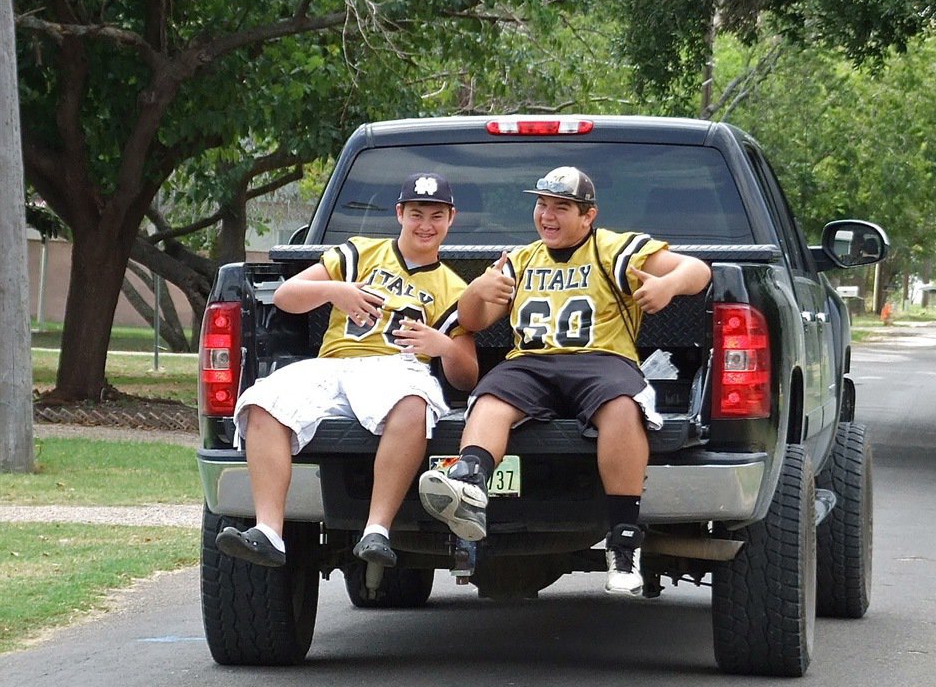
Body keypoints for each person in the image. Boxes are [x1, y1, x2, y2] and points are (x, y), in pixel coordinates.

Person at [417, 166, 711, 596]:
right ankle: (469, 483)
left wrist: (668, 285)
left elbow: (697, 270)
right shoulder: (520, 259)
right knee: (491, 397)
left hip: (601, 361)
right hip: (532, 363)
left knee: (622, 407)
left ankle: (624, 542)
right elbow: (473, 321)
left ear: (588, 216)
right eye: (541, 205)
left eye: (561, 207)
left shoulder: (614, 249)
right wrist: (478, 290)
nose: (547, 216)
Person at [217, 173, 478, 569]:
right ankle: (268, 531)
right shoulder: (358, 252)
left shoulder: (453, 287)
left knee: (414, 403)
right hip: (332, 365)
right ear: (399, 213)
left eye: (436, 216)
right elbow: (285, 297)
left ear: (451, 218)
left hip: (395, 369)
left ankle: (377, 530)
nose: (425, 225)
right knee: (263, 401)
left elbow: (467, 376)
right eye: (416, 214)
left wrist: (441, 346)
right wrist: (334, 290)